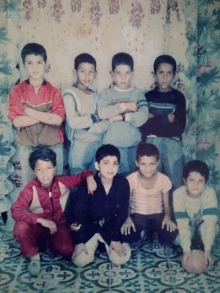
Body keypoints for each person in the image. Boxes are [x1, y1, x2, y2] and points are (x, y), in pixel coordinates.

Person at [11, 147, 96, 276]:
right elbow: (16, 210)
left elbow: (82, 175)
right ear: (34, 171)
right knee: (21, 227)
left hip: (57, 227)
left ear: (55, 168)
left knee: (67, 250)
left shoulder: (63, 182)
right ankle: (34, 256)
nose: (45, 174)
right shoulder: (30, 189)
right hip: (37, 227)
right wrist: (39, 219)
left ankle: (47, 242)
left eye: (49, 168)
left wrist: (89, 176)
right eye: (40, 170)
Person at [8, 43, 65, 186]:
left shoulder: (54, 91)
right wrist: (46, 115)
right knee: (30, 184)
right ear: (23, 65)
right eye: (30, 63)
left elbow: (57, 120)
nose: (35, 68)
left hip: (53, 143)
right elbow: (17, 122)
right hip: (27, 143)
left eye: (39, 63)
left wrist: (28, 111)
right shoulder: (17, 91)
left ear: (46, 64)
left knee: (56, 183)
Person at [66, 144, 131, 267]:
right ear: (97, 165)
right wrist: (79, 242)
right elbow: (77, 215)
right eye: (106, 163)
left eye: (115, 163)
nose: (111, 168)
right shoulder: (87, 185)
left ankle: (108, 244)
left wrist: (115, 239)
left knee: (121, 259)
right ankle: (95, 243)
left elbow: (122, 212)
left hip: (111, 228)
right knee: (79, 261)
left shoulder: (123, 183)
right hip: (90, 228)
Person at [140, 55, 186, 190]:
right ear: (154, 75)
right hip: (151, 142)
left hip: (173, 142)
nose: (165, 77)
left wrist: (154, 121)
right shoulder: (147, 97)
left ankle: (176, 209)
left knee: (176, 177)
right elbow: (144, 127)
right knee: (150, 178)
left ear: (174, 75)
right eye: (161, 73)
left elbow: (179, 128)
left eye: (169, 73)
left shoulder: (178, 97)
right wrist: (166, 119)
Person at [98, 52, 149, 175]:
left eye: (127, 73)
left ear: (132, 73)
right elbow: (102, 113)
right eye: (118, 73)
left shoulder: (137, 94)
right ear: (112, 74)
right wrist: (125, 106)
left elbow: (143, 116)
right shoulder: (107, 94)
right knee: (111, 182)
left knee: (130, 182)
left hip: (132, 147)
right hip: (111, 147)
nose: (123, 77)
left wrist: (122, 117)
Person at [121, 142, 177, 250]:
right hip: (138, 215)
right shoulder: (130, 179)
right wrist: (127, 218)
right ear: (137, 163)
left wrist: (168, 217)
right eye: (143, 164)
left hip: (157, 214)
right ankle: (143, 233)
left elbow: (167, 204)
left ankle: (153, 232)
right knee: (125, 234)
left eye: (152, 164)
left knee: (171, 233)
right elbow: (126, 203)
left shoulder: (163, 179)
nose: (148, 168)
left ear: (158, 163)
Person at [63, 53, 109, 174]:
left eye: (91, 72)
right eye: (82, 71)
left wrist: (89, 127)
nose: (87, 76)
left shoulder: (96, 96)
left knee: (96, 184)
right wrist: (94, 118)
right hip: (79, 147)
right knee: (78, 185)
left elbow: (107, 122)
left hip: (98, 146)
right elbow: (73, 122)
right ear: (75, 72)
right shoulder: (70, 94)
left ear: (96, 73)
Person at [173, 160, 219, 269]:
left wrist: (208, 249)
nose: (196, 185)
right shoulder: (178, 194)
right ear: (184, 180)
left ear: (206, 182)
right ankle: (192, 244)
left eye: (200, 181)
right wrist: (186, 250)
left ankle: (203, 243)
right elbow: (182, 223)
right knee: (176, 239)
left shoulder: (210, 193)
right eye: (192, 180)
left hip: (204, 226)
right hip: (188, 227)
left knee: (212, 229)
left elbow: (210, 221)